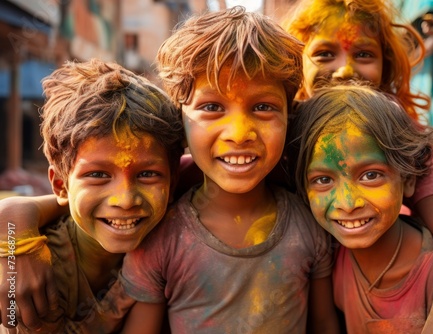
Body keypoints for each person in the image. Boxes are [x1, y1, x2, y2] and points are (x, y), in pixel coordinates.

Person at [116, 6, 336, 333]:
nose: (238, 132)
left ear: (289, 118)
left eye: (262, 107)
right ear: (180, 122)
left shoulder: (310, 224)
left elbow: (324, 324)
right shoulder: (159, 239)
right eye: (212, 107)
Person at [281, 1, 433, 333]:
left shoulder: (396, 137)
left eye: (363, 54)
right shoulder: (277, 134)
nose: (345, 71)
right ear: (295, 65)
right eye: (324, 54)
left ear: (386, 68)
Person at [0, 58, 184, 333]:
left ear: (173, 182)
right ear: (61, 184)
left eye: (147, 174)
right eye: (98, 175)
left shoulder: (170, 244)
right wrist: (12, 251)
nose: (124, 200)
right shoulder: (38, 271)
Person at [288, 84, 433, 332]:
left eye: (370, 176)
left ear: (408, 179)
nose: (348, 204)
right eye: (324, 180)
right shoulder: (331, 255)